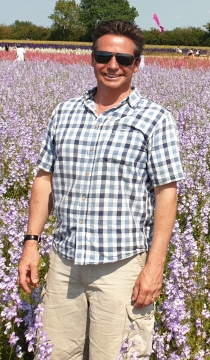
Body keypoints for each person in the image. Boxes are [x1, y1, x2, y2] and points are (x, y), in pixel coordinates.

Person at [18, 20, 184, 359]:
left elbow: (166, 192)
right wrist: (31, 243)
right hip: (65, 262)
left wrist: (155, 266)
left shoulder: (155, 119)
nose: (112, 65)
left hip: (120, 267)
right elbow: (44, 178)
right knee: (55, 353)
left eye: (123, 59)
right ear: (91, 58)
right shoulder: (64, 112)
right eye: (103, 56)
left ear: (137, 64)